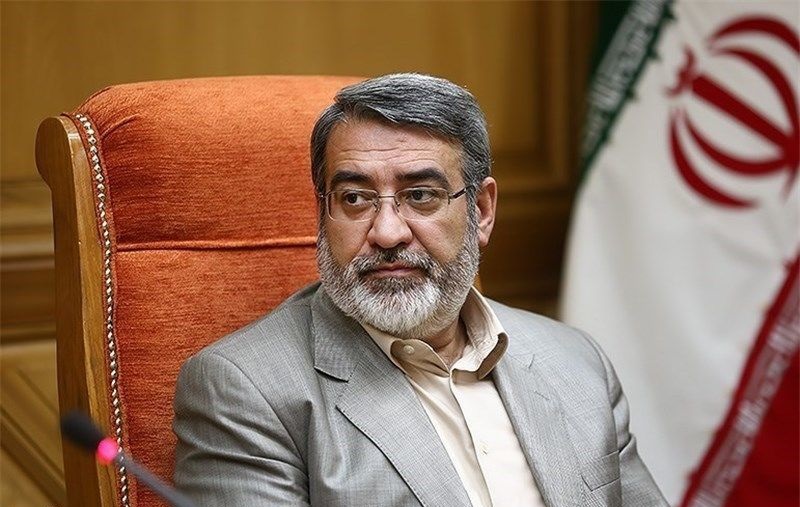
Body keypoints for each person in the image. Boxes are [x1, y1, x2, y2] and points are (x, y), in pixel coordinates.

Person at [173, 73, 667, 506]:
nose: (387, 232)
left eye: (421, 195)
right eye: (354, 198)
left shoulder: (576, 363)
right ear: (324, 214)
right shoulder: (245, 391)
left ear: (481, 212)